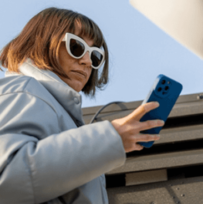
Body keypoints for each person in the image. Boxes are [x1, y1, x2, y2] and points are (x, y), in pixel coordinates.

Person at [0, 7, 164, 204]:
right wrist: (111, 138)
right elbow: (8, 175)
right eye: (76, 47)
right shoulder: (24, 89)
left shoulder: (61, 113)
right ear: (42, 43)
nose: (87, 61)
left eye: (95, 56)